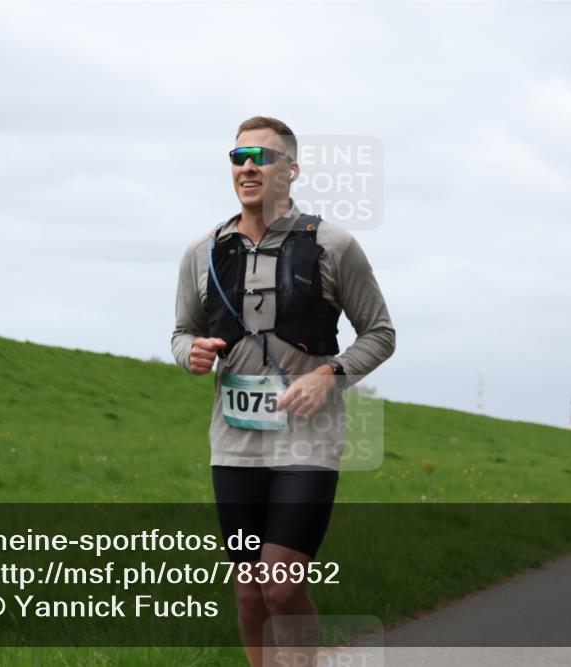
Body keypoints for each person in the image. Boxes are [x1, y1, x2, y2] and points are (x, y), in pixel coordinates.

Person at [171, 116, 396, 667]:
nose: (247, 166)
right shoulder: (202, 252)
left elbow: (381, 333)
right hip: (236, 442)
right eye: (238, 156)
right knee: (249, 591)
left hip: (308, 443)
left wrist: (330, 374)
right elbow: (182, 332)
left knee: (281, 585)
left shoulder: (333, 245)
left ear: (291, 170)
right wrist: (191, 354)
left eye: (263, 157)